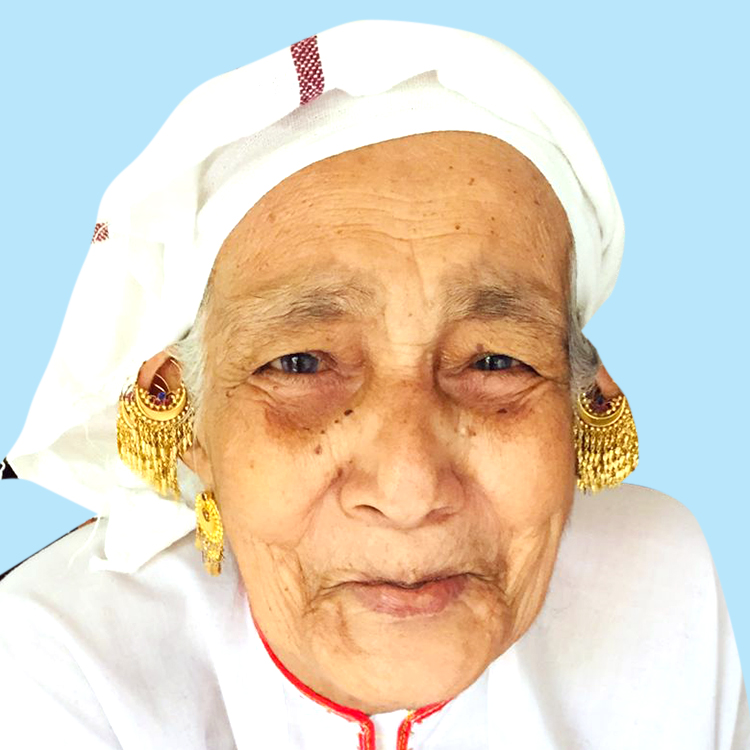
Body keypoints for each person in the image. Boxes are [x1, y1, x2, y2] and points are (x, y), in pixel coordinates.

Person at [0, 19, 747, 749]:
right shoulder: (50, 674)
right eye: (300, 364)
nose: (409, 489)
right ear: (181, 414)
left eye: (495, 362)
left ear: (586, 404)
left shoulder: (662, 585)